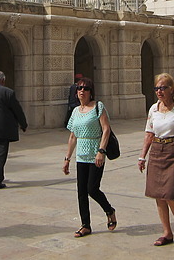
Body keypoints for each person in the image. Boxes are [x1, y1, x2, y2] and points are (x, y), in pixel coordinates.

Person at [137, 73, 174, 247]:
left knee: (171, 194)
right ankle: (166, 232)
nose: (159, 91)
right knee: (158, 196)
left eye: (163, 88)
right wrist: (142, 156)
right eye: (156, 88)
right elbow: (149, 134)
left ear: (171, 89)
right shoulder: (153, 109)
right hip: (157, 150)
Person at [63, 77, 116, 238]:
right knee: (81, 192)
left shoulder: (98, 107)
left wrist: (101, 151)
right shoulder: (75, 112)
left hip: (95, 153)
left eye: (85, 88)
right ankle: (85, 225)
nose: (81, 91)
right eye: (79, 88)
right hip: (81, 155)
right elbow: (73, 136)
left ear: (91, 92)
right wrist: (67, 158)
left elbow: (106, 130)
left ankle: (109, 210)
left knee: (92, 188)